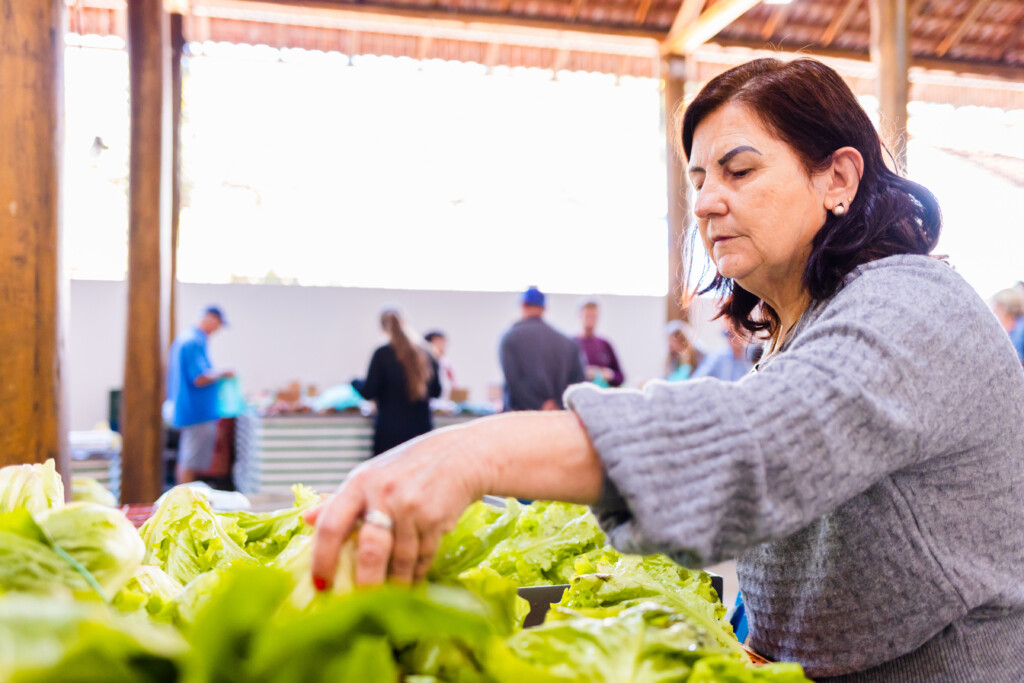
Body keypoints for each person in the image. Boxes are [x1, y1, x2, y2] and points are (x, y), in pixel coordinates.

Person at [307, 58, 1024, 681]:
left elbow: (757, 442)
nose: (708, 200)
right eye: (700, 177)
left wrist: (473, 451)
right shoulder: (789, 333)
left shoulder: (915, 304)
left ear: (836, 176)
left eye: (740, 170)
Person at [352, 309, 441, 456]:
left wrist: (354, 382)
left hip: (390, 434)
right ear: (405, 323)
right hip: (421, 433)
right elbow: (436, 391)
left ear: (382, 329)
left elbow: (368, 391)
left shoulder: (382, 354)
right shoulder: (427, 352)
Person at [166, 306, 233, 484]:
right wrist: (223, 372)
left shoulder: (191, 339)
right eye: (218, 324)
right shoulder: (192, 341)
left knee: (189, 458)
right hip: (196, 412)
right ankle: (185, 501)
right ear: (210, 319)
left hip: (194, 411)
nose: (217, 330)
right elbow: (200, 377)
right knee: (190, 460)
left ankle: (186, 497)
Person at [498, 286, 585, 411]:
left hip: (521, 421)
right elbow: (578, 384)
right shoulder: (568, 343)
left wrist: (538, 406)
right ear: (544, 308)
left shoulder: (510, 338)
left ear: (522, 305)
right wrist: (556, 404)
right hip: (557, 421)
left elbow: (513, 383)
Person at [574, 300, 625, 387]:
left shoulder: (605, 344)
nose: (590, 320)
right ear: (580, 316)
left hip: (603, 396)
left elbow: (620, 377)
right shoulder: (572, 345)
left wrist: (609, 374)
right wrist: (583, 373)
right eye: (587, 316)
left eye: (593, 316)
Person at [991, 287, 1024, 363]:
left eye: (996, 306)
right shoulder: (1002, 328)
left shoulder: (1021, 327)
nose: (994, 310)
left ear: (1004, 307)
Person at [424, 330, 456, 400]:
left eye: (444, 342)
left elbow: (453, 386)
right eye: (438, 342)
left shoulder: (446, 364)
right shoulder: (424, 363)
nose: (442, 346)